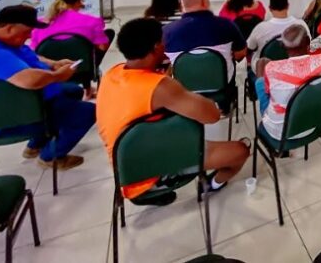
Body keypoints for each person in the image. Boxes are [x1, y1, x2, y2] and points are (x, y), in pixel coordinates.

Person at [97, 18, 249, 205]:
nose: (165, 45)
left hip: (124, 168)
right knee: (240, 151)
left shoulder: (113, 72)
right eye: (162, 41)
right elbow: (212, 115)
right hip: (150, 172)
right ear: (155, 47)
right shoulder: (161, 87)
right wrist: (172, 84)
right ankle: (213, 184)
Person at [0, 5, 95, 170]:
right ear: (10, 28)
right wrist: (58, 76)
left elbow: (30, 56)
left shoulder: (5, 43)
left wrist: (54, 64)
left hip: (30, 100)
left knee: (73, 91)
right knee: (88, 112)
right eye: (26, 32)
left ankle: (36, 144)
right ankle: (50, 157)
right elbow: (29, 80)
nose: (28, 36)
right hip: (10, 118)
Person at [163, 0, 247, 111]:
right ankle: (225, 106)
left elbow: (162, 61)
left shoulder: (166, 31)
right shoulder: (226, 25)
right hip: (222, 86)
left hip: (183, 88)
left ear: (182, 4)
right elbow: (240, 54)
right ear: (204, 2)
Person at [254, 24, 321, 140]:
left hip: (280, 133)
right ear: (308, 41)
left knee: (261, 64)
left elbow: (267, 92)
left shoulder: (272, 69)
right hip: (313, 124)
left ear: (282, 46)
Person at [30, 0, 115, 87]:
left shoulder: (39, 25)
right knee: (107, 34)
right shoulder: (92, 21)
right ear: (79, 1)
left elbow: (34, 52)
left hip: (51, 72)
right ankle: (88, 83)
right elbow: (102, 47)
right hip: (82, 70)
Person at [246, 0, 310, 72]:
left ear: (269, 8)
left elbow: (249, 48)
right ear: (288, 6)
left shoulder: (260, 28)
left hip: (267, 72)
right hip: (295, 70)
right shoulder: (301, 25)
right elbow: (309, 46)